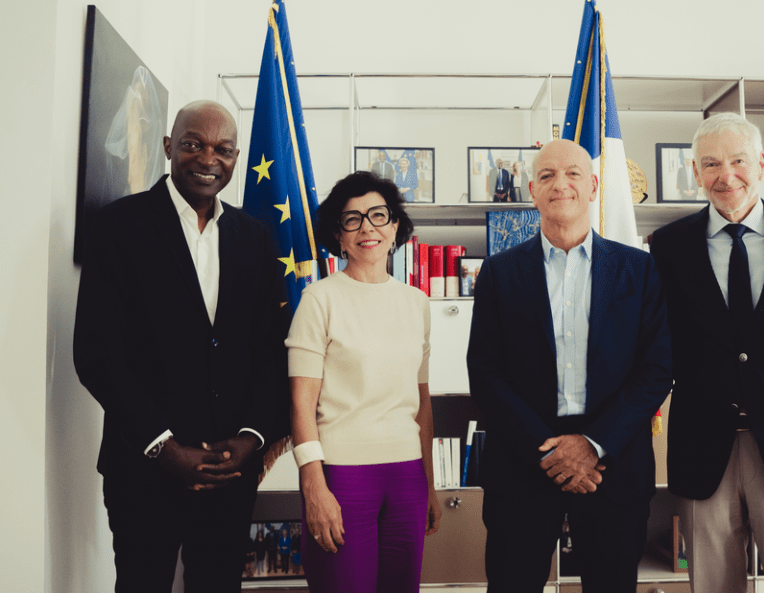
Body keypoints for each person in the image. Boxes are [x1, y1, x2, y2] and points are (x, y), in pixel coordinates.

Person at [73, 100, 291, 593]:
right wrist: (164, 448)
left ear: (236, 159)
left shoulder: (254, 238)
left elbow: (269, 350)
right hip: (145, 470)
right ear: (170, 147)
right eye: (193, 144)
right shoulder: (118, 226)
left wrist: (253, 438)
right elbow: (96, 353)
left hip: (231, 471)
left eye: (224, 149)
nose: (208, 159)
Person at [467, 139, 673, 593]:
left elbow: (657, 368)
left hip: (612, 467)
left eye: (573, 174)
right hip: (523, 464)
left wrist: (593, 445)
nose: (560, 184)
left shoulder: (638, 270)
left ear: (595, 185)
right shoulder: (499, 273)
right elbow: (485, 373)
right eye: (546, 176)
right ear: (532, 191)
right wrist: (549, 452)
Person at [650, 113, 764, 593]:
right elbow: (663, 340)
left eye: (737, 160)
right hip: (702, 446)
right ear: (694, 172)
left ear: (761, 163)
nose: (725, 174)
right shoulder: (668, 247)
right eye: (710, 163)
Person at [286, 171, 442, 593]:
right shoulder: (319, 300)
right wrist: (313, 486)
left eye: (378, 215)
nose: (367, 227)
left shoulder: (417, 303)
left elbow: (421, 401)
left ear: (395, 227)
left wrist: (428, 483)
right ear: (338, 235)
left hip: (407, 477)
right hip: (340, 477)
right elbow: (301, 406)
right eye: (352, 219)